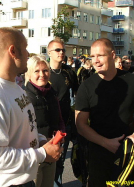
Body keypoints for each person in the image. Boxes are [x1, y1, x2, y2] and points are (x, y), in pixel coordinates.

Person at [0, 27, 63, 187]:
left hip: (22, 180)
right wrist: (42, 154)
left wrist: (41, 141)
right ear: (13, 51)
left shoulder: (15, 87)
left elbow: (23, 129)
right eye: (25, 48)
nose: (28, 54)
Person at [75, 38, 134, 187]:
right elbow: (80, 124)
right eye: (92, 56)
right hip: (98, 154)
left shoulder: (133, 81)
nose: (95, 60)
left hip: (127, 152)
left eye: (100, 55)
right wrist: (106, 143)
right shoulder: (87, 86)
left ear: (112, 55)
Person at [25, 55, 65, 187]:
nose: (42, 74)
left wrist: (61, 133)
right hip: (34, 154)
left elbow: (59, 118)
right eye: (37, 71)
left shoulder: (51, 93)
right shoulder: (25, 97)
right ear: (29, 74)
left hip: (52, 150)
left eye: (45, 70)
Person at [47, 37, 79, 187]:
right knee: (48, 163)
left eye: (63, 50)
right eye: (57, 50)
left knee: (60, 161)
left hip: (66, 123)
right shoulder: (43, 71)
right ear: (49, 53)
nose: (61, 53)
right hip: (48, 124)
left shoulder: (69, 72)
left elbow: (78, 94)